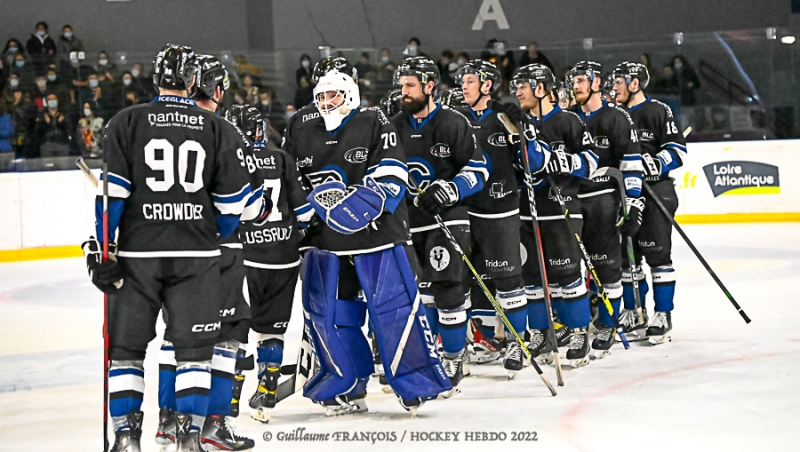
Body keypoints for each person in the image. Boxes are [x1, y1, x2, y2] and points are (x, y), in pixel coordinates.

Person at [80, 43, 252, 452]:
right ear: (193, 81)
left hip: (138, 258)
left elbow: (113, 199)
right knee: (194, 352)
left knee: (126, 351)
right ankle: (190, 437)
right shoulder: (218, 129)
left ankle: (126, 437)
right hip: (197, 258)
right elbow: (232, 207)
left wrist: (103, 251)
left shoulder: (125, 122)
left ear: (156, 79)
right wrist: (210, 233)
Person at [284, 56, 450, 415]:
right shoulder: (300, 123)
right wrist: (304, 212)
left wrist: (358, 204)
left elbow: (392, 175)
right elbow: (289, 177)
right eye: (321, 96)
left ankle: (413, 380)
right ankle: (347, 381)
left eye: (333, 96)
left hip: (377, 236)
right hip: (324, 241)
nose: (326, 103)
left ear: (350, 93)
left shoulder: (373, 120)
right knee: (333, 315)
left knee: (393, 311)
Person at [153, 54, 263, 452]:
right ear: (216, 89)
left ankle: (167, 422)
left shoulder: (153, 127)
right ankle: (210, 425)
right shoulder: (221, 130)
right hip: (218, 253)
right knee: (227, 336)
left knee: (176, 336)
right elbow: (248, 205)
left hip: (165, 252)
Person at [391, 56, 489, 392]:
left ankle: (453, 357)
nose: (403, 91)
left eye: (410, 85)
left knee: (448, 287)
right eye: (401, 85)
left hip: (448, 218)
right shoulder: (394, 127)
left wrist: (451, 189)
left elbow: (479, 171)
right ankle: (428, 356)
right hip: (409, 221)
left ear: (430, 86)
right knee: (419, 295)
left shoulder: (453, 122)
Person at [498, 64, 599, 364]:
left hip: (561, 209)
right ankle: (541, 332)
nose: (517, 91)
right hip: (528, 212)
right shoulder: (520, 122)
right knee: (531, 278)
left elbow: (591, 161)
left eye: (523, 86)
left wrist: (562, 161)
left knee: (568, 274)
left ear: (540, 88)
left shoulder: (568, 120)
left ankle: (580, 330)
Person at [455, 60, 550, 375]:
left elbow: (535, 163)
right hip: (464, 212)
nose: (463, 86)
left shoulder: (505, 115)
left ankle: (517, 342)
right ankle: (486, 340)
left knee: (508, 279)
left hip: (501, 210)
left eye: (469, 80)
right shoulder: (454, 118)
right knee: (473, 279)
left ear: (486, 84)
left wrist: (527, 136)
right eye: (462, 81)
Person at [238, 107, 312, 424]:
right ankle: (268, 388)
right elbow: (305, 212)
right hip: (285, 257)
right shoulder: (282, 157)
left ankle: (229, 395)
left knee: (238, 327)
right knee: (274, 328)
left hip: (249, 257)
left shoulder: (234, 158)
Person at [568, 61, 644, 365]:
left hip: (603, 200)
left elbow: (631, 164)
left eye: (582, 81)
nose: (577, 86)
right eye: (573, 81)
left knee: (606, 266)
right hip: (572, 200)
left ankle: (607, 325)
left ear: (597, 83)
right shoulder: (568, 117)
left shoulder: (616, 117)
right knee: (572, 267)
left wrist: (634, 202)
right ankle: (577, 326)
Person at [612, 62, 686, 345]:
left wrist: (656, 162)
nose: (614, 86)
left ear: (635, 83)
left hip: (656, 191)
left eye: (620, 81)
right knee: (627, 260)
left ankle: (663, 314)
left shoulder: (658, 111)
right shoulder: (614, 114)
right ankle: (634, 311)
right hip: (623, 194)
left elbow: (677, 150)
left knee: (657, 256)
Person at [35, 93, 72, 157]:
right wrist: (47, 123)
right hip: (47, 145)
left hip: (62, 145)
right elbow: (38, 132)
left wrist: (60, 123)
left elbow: (69, 129)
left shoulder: (64, 114)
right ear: (46, 102)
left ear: (57, 100)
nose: (52, 101)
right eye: (49, 99)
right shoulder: (42, 116)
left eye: (54, 99)